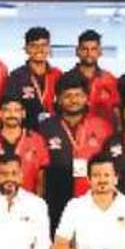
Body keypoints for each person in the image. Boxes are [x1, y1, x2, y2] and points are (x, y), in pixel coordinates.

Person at [37, 80, 114, 226]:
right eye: (68, 96)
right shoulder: (45, 128)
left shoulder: (102, 126)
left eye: (78, 95)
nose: (73, 100)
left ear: (86, 98)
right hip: (56, 194)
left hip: (93, 195)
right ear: (59, 99)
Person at [0, 95, 52, 196]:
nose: (12, 114)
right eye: (7, 110)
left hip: (28, 201)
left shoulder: (37, 140)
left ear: (23, 114)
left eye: (16, 110)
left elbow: (41, 179)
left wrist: (38, 202)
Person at [2, 26, 61, 130]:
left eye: (43, 45)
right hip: (27, 133)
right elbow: (10, 107)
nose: (39, 49)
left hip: (54, 132)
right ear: (26, 49)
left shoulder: (58, 75)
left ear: (49, 48)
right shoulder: (16, 76)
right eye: (34, 46)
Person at [59, 30, 122, 126]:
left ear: (100, 52)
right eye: (85, 49)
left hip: (105, 132)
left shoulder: (110, 79)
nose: (89, 53)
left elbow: (117, 111)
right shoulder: (66, 79)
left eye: (93, 49)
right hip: (74, 132)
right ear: (77, 51)